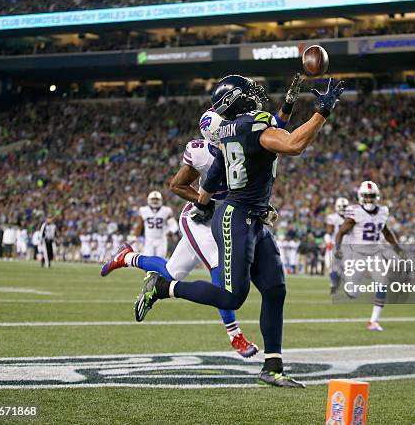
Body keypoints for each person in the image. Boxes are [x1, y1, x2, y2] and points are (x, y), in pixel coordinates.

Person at [130, 74, 344, 387]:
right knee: (232, 297)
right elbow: (293, 144)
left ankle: (272, 367)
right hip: (237, 217)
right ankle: (163, 287)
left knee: (275, 288)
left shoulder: (231, 129)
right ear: (235, 99)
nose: (255, 93)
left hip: (254, 217)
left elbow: (217, 168)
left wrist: (203, 202)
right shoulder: (251, 124)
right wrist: (322, 112)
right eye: (248, 90)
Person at [102, 75, 303, 358]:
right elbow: (177, 185)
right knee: (221, 277)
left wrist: (289, 104)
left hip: (227, 215)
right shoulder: (203, 152)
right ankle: (236, 337)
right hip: (202, 218)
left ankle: (128, 257)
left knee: (172, 272)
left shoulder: (239, 137)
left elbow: (275, 129)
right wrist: (202, 201)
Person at [335, 181, 403, 331]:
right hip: (358, 254)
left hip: (375, 254)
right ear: (360, 197)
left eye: (372, 196)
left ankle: (373, 321)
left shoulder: (382, 212)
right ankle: (347, 278)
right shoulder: (355, 212)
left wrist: (397, 248)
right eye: (366, 196)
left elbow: (386, 232)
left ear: (377, 197)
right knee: (352, 293)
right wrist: (338, 248)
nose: (369, 200)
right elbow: (341, 232)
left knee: (383, 283)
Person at [132, 191, 174, 258]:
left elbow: (173, 224)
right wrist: (135, 235)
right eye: (153, 199)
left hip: (161, 239)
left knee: (160, 260)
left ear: (161, 200)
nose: (155, 201)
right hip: (149, 239)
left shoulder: (166, 210)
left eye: (156, 199)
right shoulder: (143, 210)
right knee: (148, 261)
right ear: (149, 200)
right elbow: (140, 225)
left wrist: (171, 231)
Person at [325, 197, 349, 294]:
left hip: (346, 246)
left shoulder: (351, 218)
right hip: (336, 245)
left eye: (345, 206)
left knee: (339, 269)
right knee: (331, 267)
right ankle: (334, 285)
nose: (343, 208)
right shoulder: (333, 217)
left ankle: (334, 285)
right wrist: (328, 242)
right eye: (341, 206)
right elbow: (328, 233)